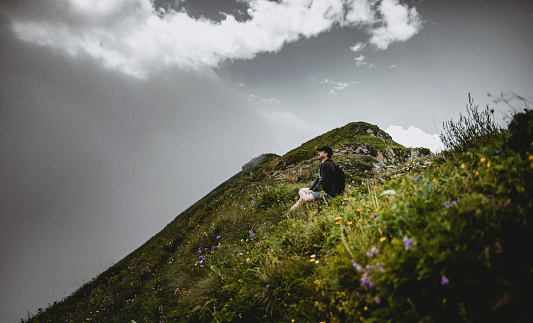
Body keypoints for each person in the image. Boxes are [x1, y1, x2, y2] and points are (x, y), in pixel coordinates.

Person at [289, 146, 337, 212]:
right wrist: (311, 189)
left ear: (325, 154)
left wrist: (313, 191)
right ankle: (310, 204)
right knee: (302, 190)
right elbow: (318, 179)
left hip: (327, 193)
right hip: (322, 191)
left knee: (303, 199)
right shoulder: (323, 164)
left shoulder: (327, 165)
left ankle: (289, 213)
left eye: (320, 151)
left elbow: (323, 181)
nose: (318, 153)